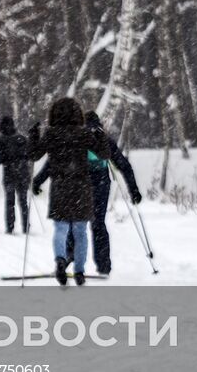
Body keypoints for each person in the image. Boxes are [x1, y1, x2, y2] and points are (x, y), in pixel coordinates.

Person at [28, 97, 137, 286]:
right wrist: (133, 189)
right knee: (93, 226)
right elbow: (121, 163)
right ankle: (98, 267)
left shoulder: (55, 134)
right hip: (92, 185)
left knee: (65, 226)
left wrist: (37, 180)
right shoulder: (89, 136)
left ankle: (65, 258)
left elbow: (45, 162)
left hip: (64, 185)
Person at [0, 114, 32, 234]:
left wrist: (2, 159)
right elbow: (28, 156)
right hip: (23, 173)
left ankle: (10, 226)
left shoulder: (1, 140)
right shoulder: (22, 138)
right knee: (23, 201)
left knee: (10, 201)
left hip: (9, 174)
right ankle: (26, 225)